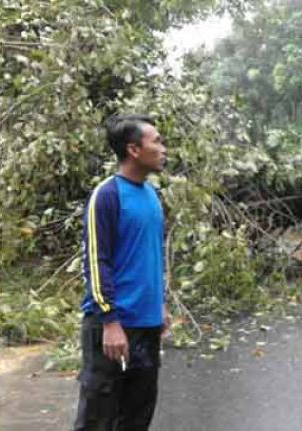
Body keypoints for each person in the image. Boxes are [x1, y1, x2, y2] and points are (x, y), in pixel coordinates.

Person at [73, 114, 170, 430]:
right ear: (133, 149)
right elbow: (95, 262)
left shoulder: (151, 195)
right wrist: (110, 321)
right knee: (98, 420)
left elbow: (150, 257)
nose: (163, 147)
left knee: (136, 417)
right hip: (113, 329)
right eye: (156, 141)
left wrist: (160, 303)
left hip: (147, 324)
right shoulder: (107, 194)